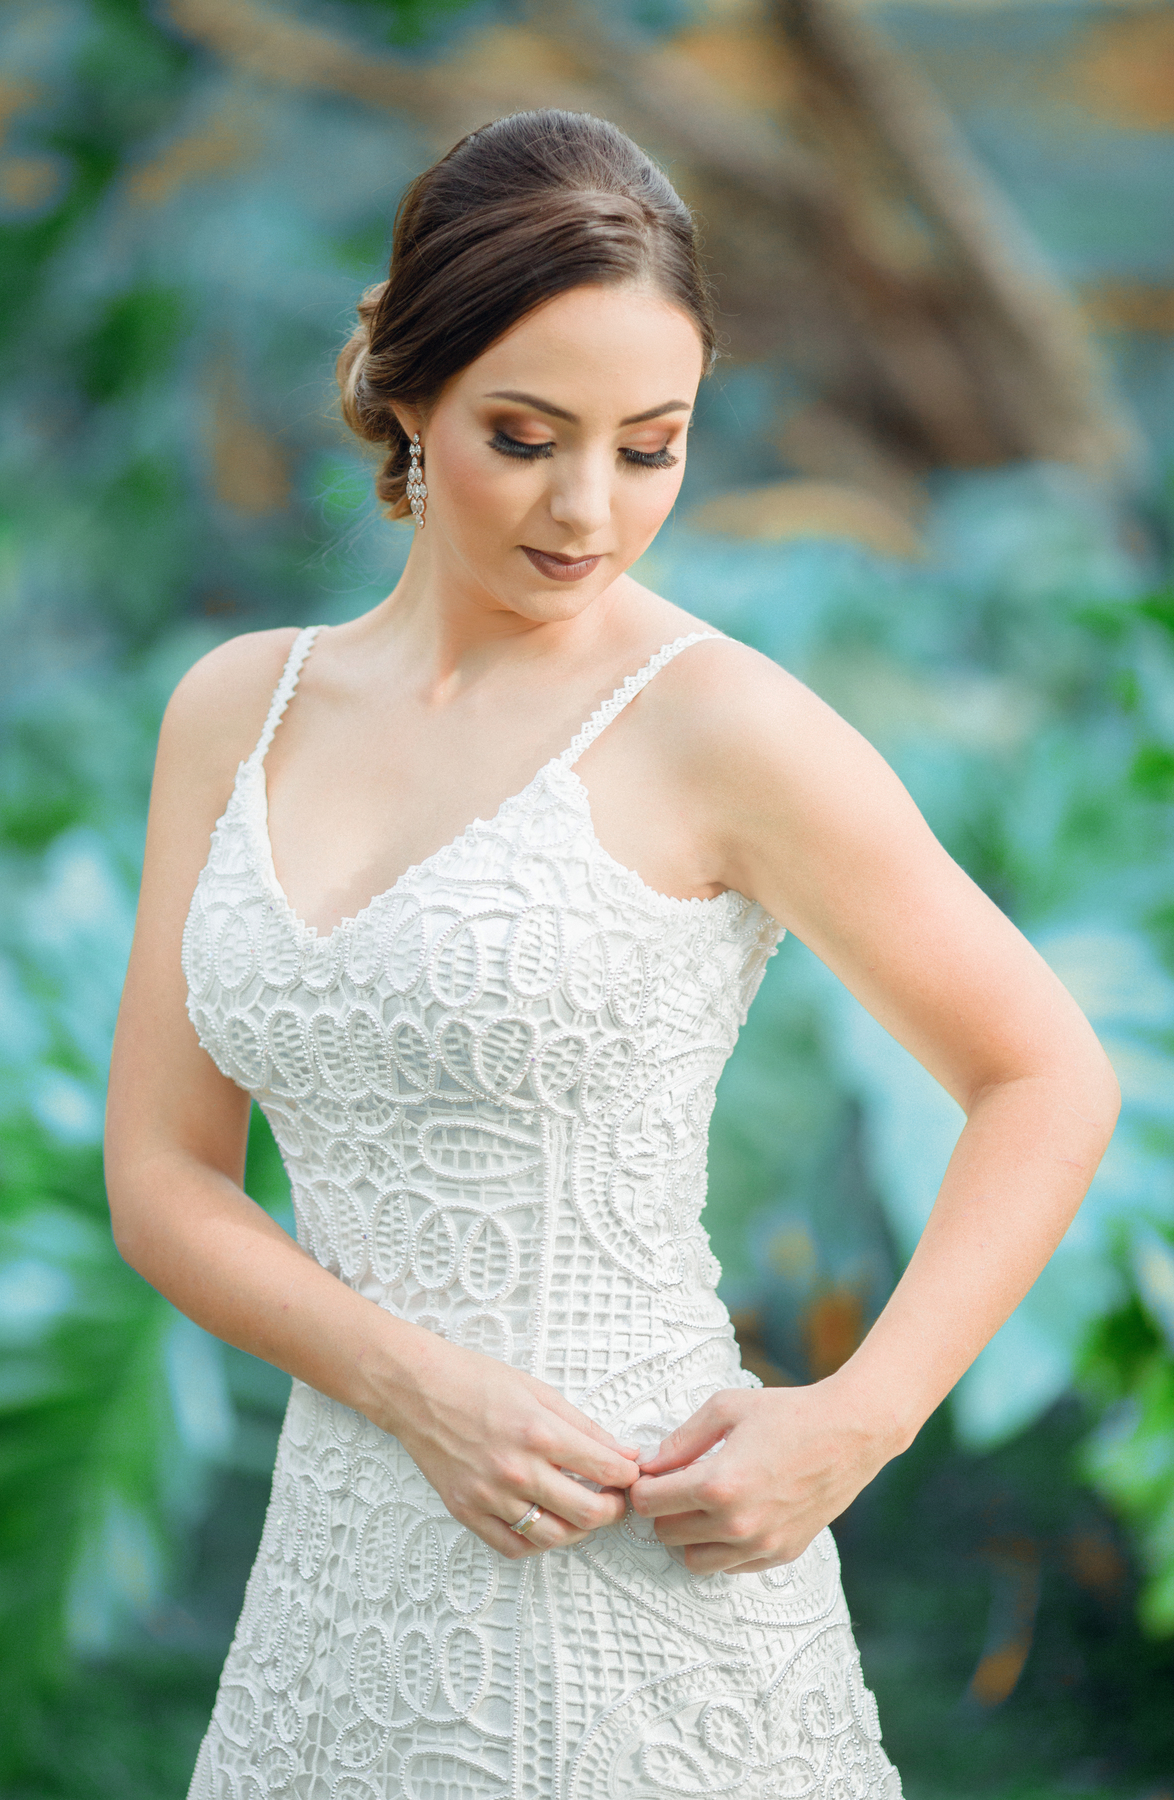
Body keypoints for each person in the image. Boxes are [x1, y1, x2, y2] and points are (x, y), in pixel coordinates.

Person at [104, 109, 1119, 1799]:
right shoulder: (235, 712)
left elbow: (1045, 1073)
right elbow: (162, 1178)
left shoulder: (721, 726)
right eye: (526, 437)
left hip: (646, 1578)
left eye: (651, 448)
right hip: (338, 1597)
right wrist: (411, 1387)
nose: (589, 509)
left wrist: (855, 1422)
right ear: (407, 392)